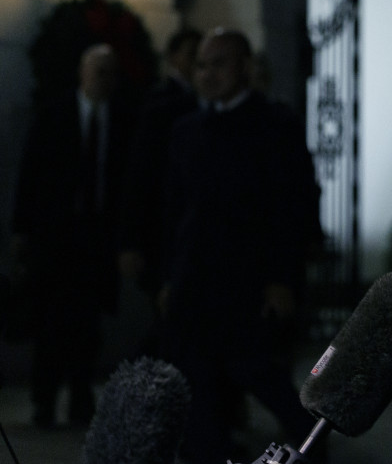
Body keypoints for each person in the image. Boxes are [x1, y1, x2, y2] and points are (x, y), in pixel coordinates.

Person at [157, 28, 321, 464]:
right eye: (203, 65)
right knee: (197, 395)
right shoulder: (187, 130)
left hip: (248, 287)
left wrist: (281, 280)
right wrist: (170, 277)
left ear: (245, 67)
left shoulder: (274, 126)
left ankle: (312, 451)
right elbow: (175, 210)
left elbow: (292, 210)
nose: (209, 74)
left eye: (220, 63)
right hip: (195, 285)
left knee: (265, 379)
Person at [11, 43, 135, 428]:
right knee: (50, 323)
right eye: (97, 72)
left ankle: (80, 398)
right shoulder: (55, 115)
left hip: (96, 236)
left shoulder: (123, 120)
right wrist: (22, 231)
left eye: (109, 73)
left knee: (87, 325)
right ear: (82, 74)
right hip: (55, 236)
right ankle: (44, 400)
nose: (103, 80)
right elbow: (29, 174)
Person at [119, 27, 203, 301]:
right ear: (173, 57)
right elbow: (141, 174)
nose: (197, 63)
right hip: (161, 224)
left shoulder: (202, 101)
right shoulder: (161, 105)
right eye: (192, 54)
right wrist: (132, 240)